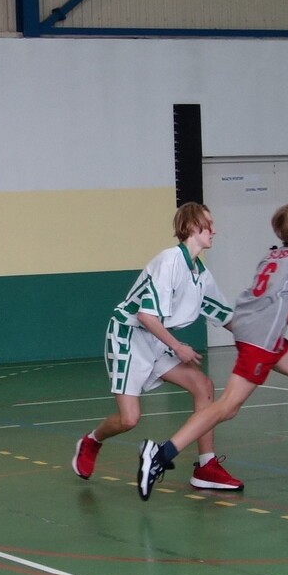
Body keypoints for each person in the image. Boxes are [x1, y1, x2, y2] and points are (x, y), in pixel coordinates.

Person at [136, 201, 288, 500]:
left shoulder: (273, 255)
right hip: (261, 337)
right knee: (227, 407)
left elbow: (283, 307)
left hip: (256, 329)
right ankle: (160, 454)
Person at [73, 203, 240, 490]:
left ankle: (206, 466)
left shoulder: (200, 274)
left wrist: (260, 339)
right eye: (209, 224)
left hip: (156, 337)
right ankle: (91, 441)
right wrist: (178, 347)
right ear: (192, 226)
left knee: (203, 386)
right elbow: (145, 316)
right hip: (129, 336)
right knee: (129, 419)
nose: (215, 230)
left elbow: (225, 316)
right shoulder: (169, 261)